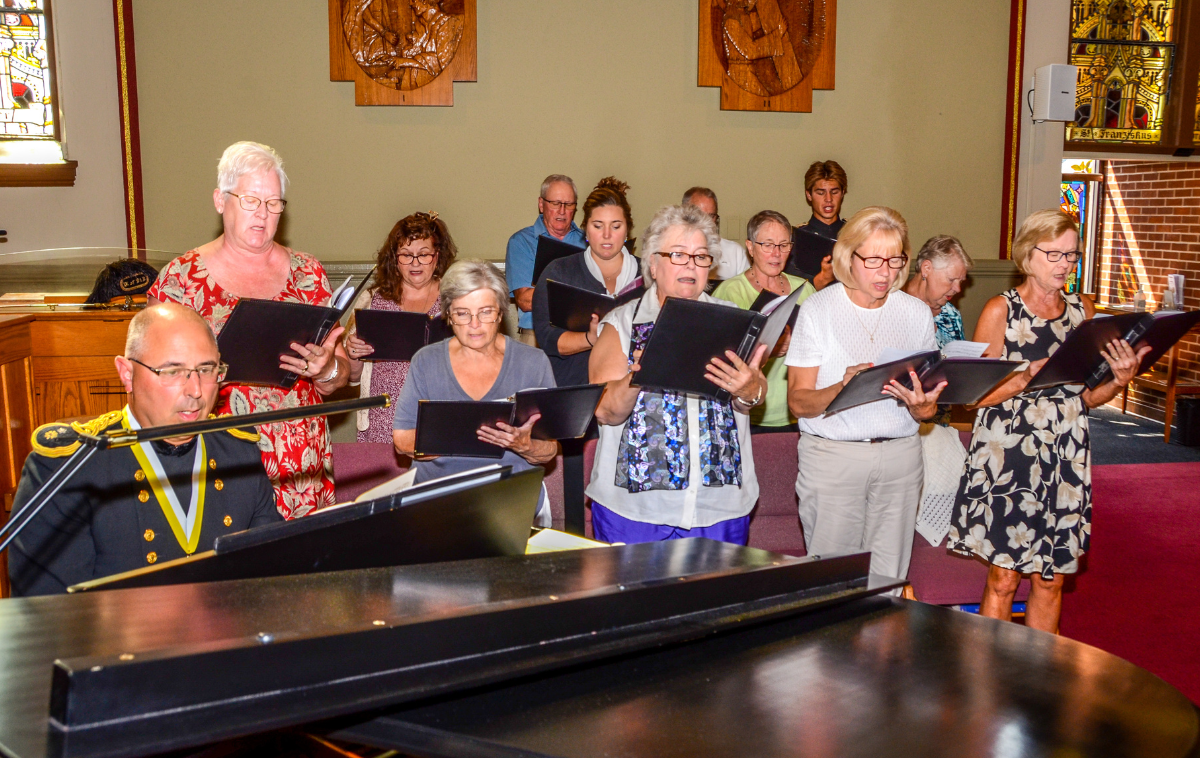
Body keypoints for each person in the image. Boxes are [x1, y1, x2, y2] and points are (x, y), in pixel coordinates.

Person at [947, 209, 1149, 634]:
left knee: (1051, 579)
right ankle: (986, 680)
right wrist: (1028, 373)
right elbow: (975, 399)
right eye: (1053, 254)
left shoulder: (1084, 311)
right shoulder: (1002, 310)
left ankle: (1040, 679)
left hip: (1065, 456)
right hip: (1010, 457)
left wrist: (1119, 379)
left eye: (1071, 256)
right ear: (1027, 254)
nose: (1064, 265)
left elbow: (1089, 396)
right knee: (1004, 579)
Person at [7, 304, 282, 596]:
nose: (196, 391)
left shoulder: (238, 452)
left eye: (206, 369)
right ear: (126, 374)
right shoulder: (69, 467)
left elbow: (273, 578)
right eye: (173, 371)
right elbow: (47, 613)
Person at [149, 141, 349, 519]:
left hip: (301, 466)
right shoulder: (181, 280)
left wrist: (327, 370)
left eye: (274, 203)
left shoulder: (309, 274)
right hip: (219, 461)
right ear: (220, 200)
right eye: (251, 200)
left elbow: (338, 375)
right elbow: (153, 382)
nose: (263, 213)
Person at [587, 205, 768, 545]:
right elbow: (605, 411)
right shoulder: (622, 324)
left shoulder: (735, 321)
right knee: (632, 600)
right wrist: (639, 374)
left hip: (719, 507)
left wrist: (750, 388)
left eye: (701, 257)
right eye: (678, 255)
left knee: (716, 599)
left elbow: (753, 398)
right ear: (653, 264)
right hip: (636, 511)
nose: (691, 265)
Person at [785, 206, 943, 583]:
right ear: (848, 257)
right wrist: (843, 385)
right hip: (834, 459)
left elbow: (927, 406)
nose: (885, 272)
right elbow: (798, 402)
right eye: (873, 260)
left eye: (894, 260)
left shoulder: (916, 313)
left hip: (900, 459)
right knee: (832, 581)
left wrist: (925, 408)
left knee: (888, 580)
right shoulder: (817, 310)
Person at [393, 261, 558, 523]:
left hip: (512, 503)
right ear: (447, 314)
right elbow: (402, 440)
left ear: (501, 313)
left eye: (485, 312)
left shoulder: (533, 362)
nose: (474, 325)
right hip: (435, 503)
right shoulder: (426, 360)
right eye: (462, 313)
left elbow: (549, 450)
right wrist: (462, 433)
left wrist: (523, 444)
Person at [345, 212, 457, 442]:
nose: (415, 263)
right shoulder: (373, 300)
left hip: (440, 413)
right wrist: (353, 353)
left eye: (424, 255)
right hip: (383, 417)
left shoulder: (456, 299)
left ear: (437, 257)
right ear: (395, 259)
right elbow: (352, 377)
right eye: (406, 255)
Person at [533, 177, 639, 387]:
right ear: (586, 230)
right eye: (598, 226)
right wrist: (589, 339)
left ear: (627, 230)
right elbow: (547, 338)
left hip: (635, 393)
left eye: (616, 226)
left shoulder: (650, 275)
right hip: (575, 390)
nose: (607, 235)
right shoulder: (559, 271)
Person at [714, 210, 815, 432]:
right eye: (768, 245)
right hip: (750, 413)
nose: (777, 254)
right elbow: (720, 359)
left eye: (784, 245)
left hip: (796, 411)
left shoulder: (805, 289)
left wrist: (795, 343)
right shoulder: (731, 291)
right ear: (750, 247)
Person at [505, 174, 586, 345]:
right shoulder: (522, 242)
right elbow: (526, 301)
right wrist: (580, 292)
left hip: (582, 337)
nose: (562, 211)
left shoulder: (589, 242)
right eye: (555, 203)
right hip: (536, 336)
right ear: (541, 205)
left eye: (568, 204)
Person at [903, 235, 974, 348]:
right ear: (926, 268)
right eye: (951, 279)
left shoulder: (950, 314)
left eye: (960, 281)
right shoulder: (892, 305)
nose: (958, 289)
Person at [787, 160, 847, 289]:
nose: (828, 199)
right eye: (820, 192)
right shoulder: (795, 238)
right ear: (809, 195)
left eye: (834, 192)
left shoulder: (857, 234)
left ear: (842, 193)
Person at [682, 186, 749, 281]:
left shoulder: (735, 253)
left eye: (711, 216)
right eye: (700, 215)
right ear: (684, 215)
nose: (707, 222)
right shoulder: (672, 251)